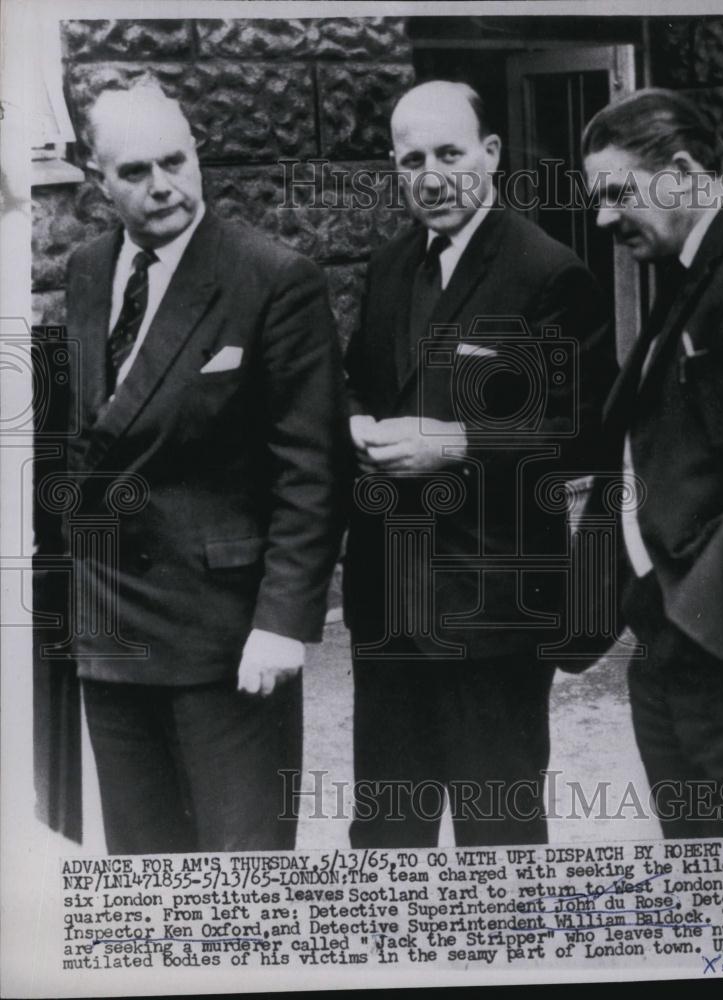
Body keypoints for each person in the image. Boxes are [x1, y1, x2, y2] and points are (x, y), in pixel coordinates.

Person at [63, 82, 349, 853]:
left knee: (241, 870)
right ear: (97, 180)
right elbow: (82, 443)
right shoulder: (88, 271)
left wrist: (283, 623)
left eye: (176, 161)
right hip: (110, 634)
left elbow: (313, 468)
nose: (163, 186)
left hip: (226, 639)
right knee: (145, 872)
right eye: (135, 172)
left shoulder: (272, 277)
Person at [343, 80, 615, 847]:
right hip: (389, 602)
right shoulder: (390, 265)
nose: (430, 176)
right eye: (411, 159)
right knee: (387, 839)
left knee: (498, 841)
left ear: (491, 154)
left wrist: (457, 442)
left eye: (450, 153)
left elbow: (584, 428)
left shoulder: (549, 273)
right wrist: (356, 422)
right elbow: (360, 377)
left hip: (493, 610)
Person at [581, 88, 723, 837]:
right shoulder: (687, 263)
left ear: (679, 171)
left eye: (616, 195)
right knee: (699, 874)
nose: (604, 219)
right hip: (672, 641)